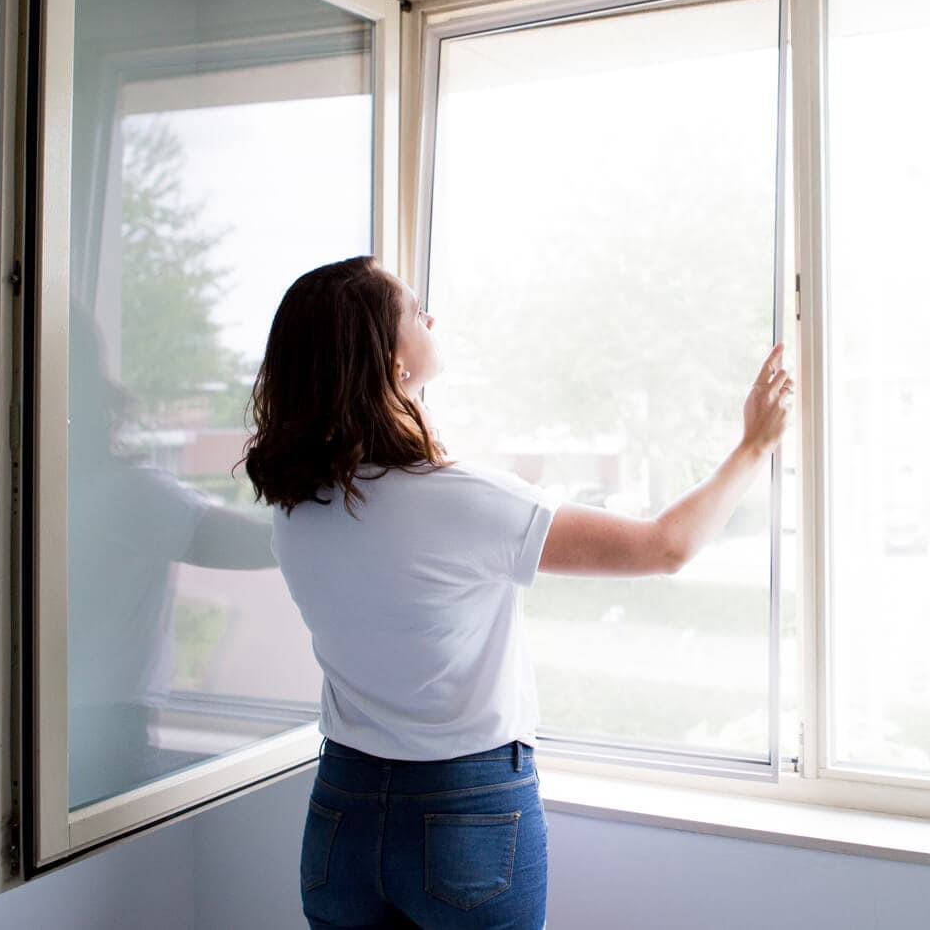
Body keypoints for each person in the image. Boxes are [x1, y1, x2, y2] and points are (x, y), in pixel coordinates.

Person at [242, 255, 793, 929]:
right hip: (463, 812)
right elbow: (665, 546)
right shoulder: (459, 501)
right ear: (393, 362)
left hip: (340, 813)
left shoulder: (297, 508)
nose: (431, 317)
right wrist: (753, 446)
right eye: (415, 311)